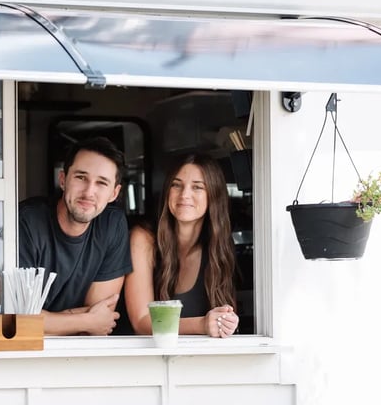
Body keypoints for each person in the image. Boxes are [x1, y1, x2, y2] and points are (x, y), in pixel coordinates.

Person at [18, 136, 133, 336]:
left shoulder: (112, 225)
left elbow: (102, 317)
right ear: (63, 179)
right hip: (22, 353)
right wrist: (86, 321)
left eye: (101, 183)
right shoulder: (27, 221)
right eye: (81, 177)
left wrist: (46, 321)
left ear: (114, 194)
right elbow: (18, 321)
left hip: (79, 354)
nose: (89, 192)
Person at [122, 153, 239, 337]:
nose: (184, 195)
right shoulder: (143, 239)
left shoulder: (219, 246)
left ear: (214, 196)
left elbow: (226, 315)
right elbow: (141, 322)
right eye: (176, 185)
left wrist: (226, 322)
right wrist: (202, 325)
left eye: (197, 187)